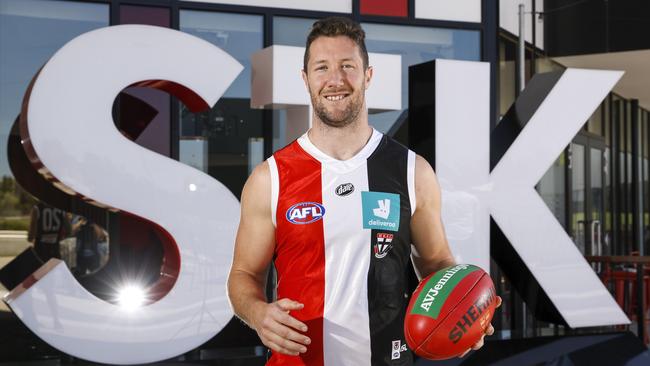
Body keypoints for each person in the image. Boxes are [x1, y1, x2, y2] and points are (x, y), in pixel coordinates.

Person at [227, 17, 500, 365]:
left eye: (347, 66)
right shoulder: (271, 177)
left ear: (367, 75)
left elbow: (437, 265)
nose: (335, 80)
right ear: (305, 79)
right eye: (322, 67)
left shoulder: (413, 171)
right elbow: (243, 276)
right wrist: (257, 313)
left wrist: (465, 309)